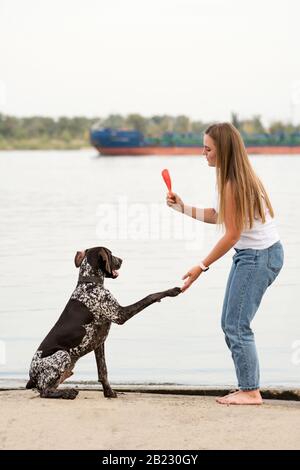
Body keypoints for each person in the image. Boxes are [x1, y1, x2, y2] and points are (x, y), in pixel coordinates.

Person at [166, 122, 284, 405]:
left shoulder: (233, 182)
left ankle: (250, 391)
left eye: (208, 148)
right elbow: (221, 216)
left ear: (224, 151)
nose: (203, 153)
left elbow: (231, 235)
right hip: (256, 254)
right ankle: (247, 387)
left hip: (258, 257)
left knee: (236, 324)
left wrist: (200, 267)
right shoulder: (236, 176)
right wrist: (182, 208)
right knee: (231, 322)